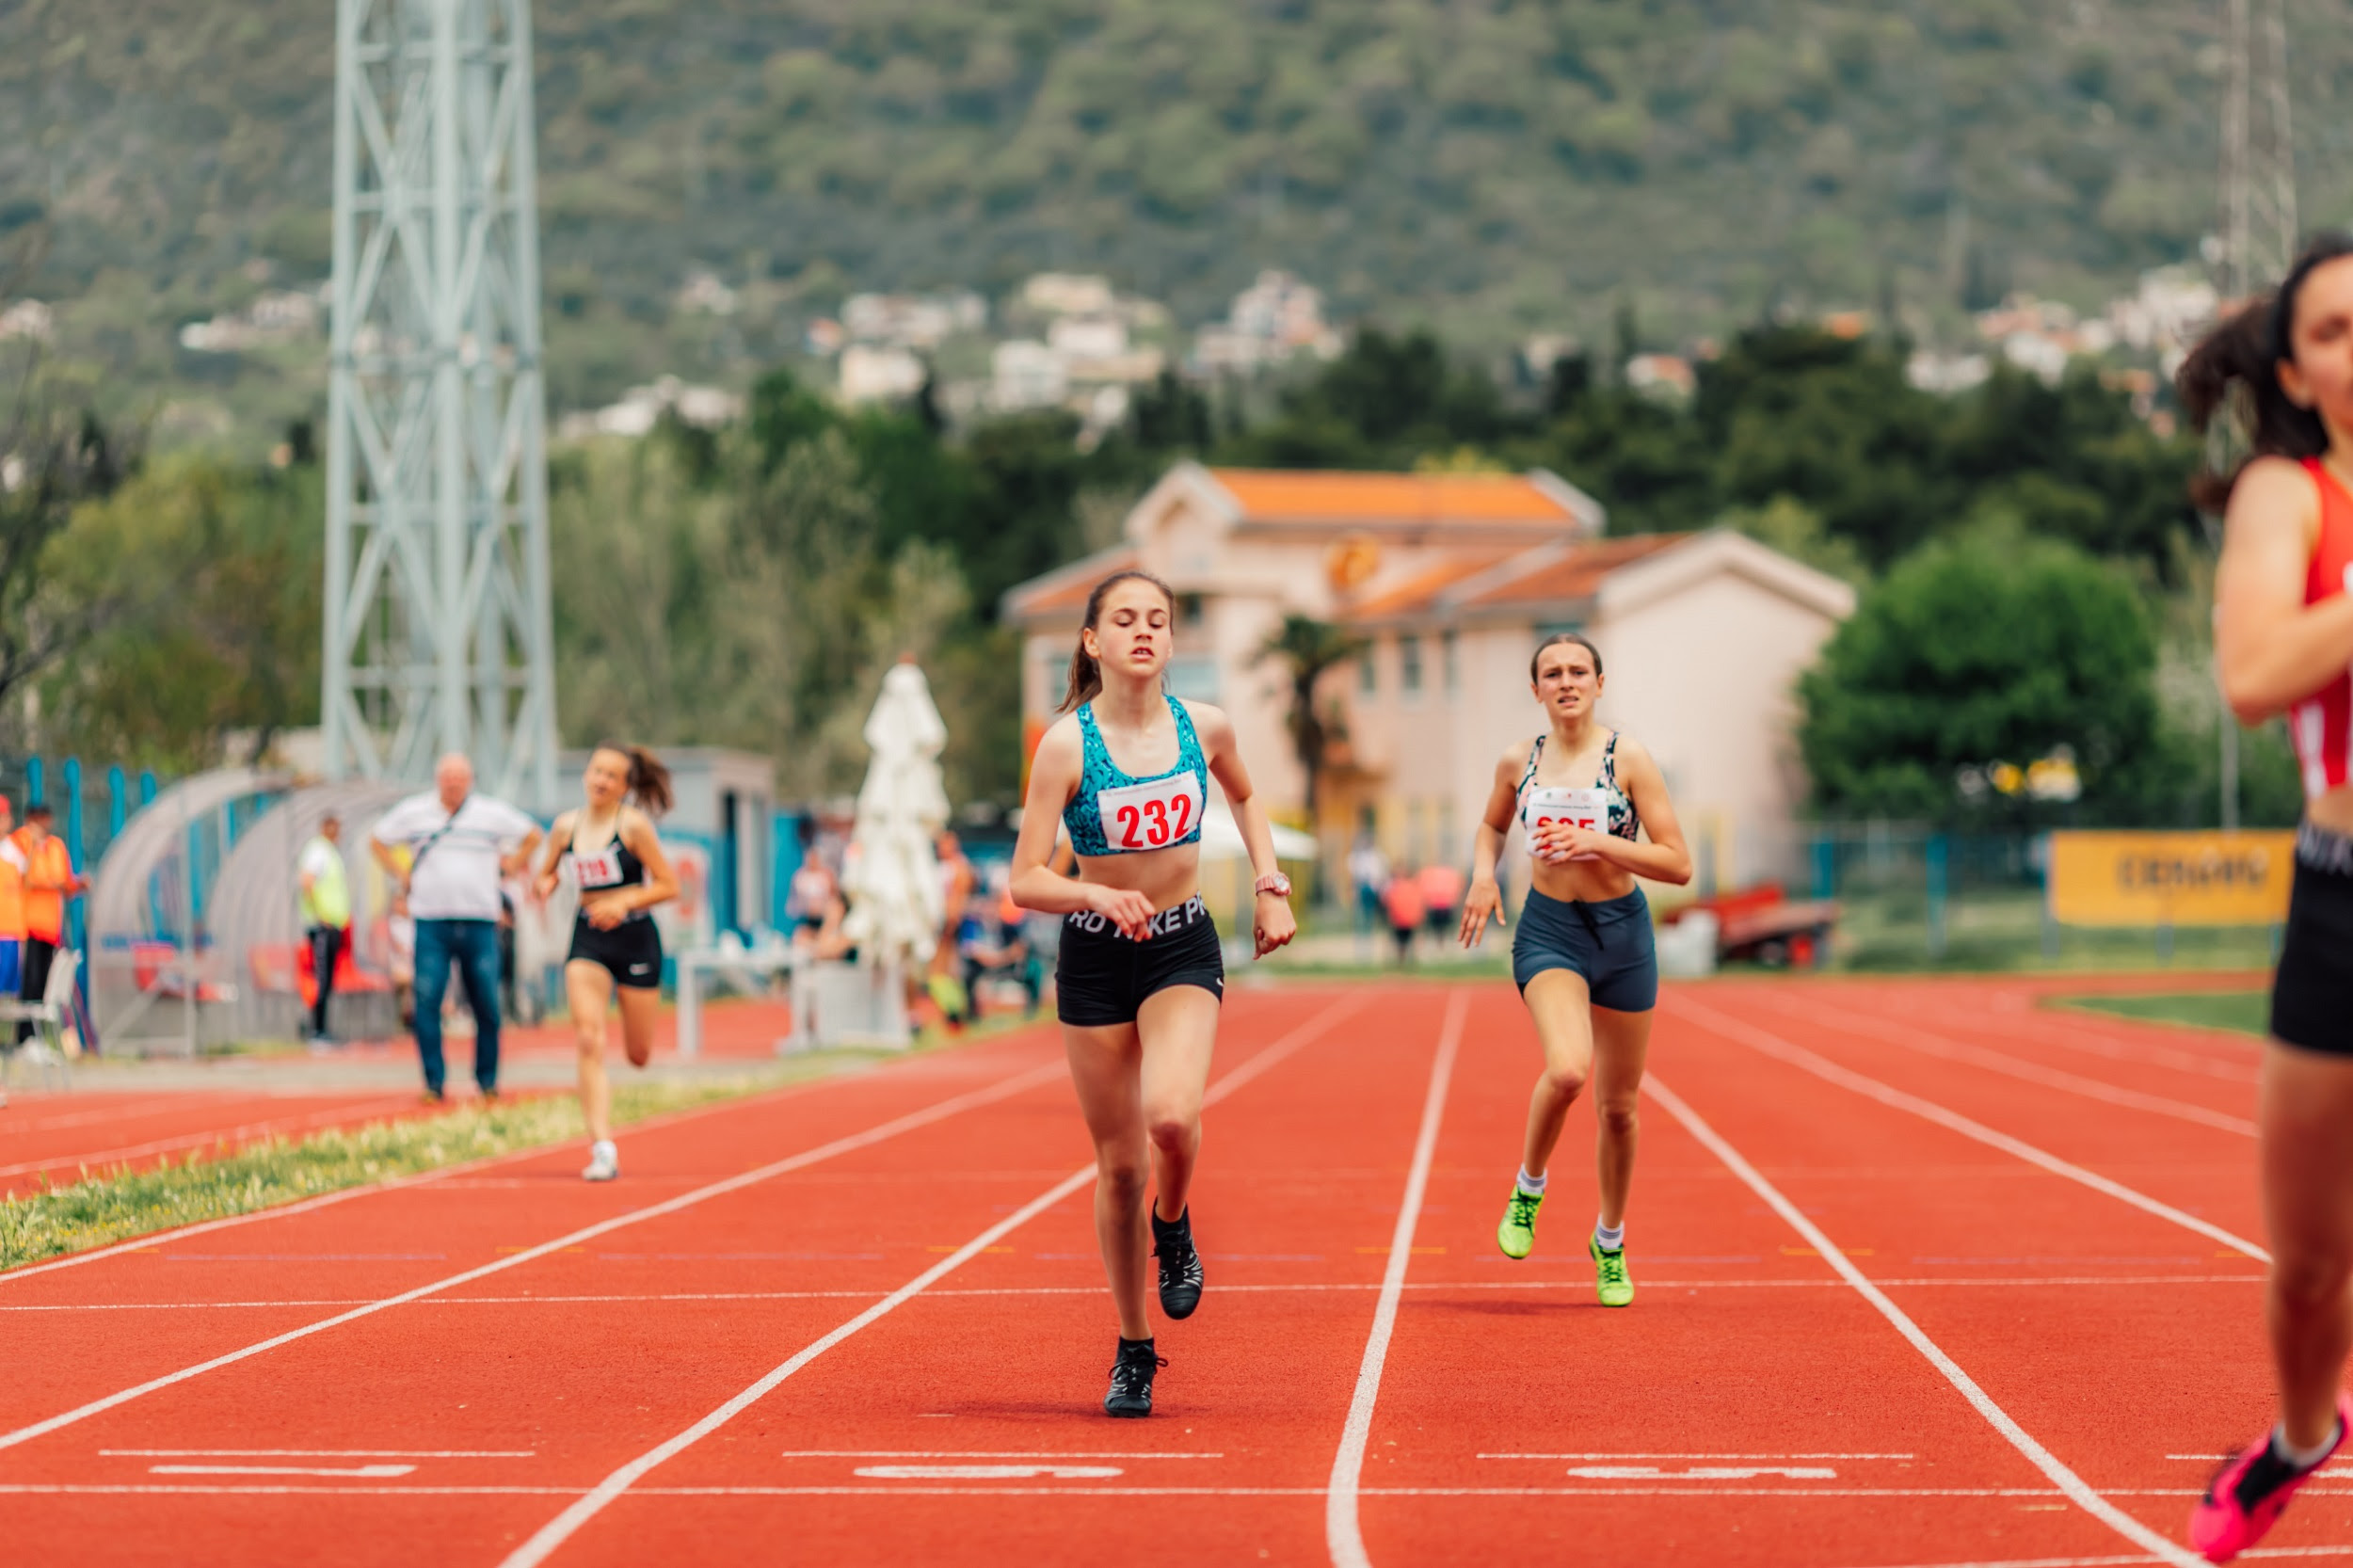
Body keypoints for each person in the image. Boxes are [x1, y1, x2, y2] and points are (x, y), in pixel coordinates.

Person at [1010, 568, 1297, 1418]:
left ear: (1172, 642)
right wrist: (1093, 892)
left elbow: (1246, 798)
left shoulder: (1203, 728)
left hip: (1180, 945)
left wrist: (1271, 881)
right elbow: (1025, 878)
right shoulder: (1065, 745)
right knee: (1119, 1166)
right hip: (1096, 959)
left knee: (1172, 1118)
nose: (1144, 631)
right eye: (1125, 620)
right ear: (1092, 642)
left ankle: (1175, 1224)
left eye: (1158, 620)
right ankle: (1135, 1347)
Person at [2179, 232, 2353, 1561]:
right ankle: (2302, 1434)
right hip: (2340, 898)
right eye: (2337, 329)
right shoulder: (2286, 496)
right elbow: (2252, 670)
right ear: (2297, 367)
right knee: (2308, 1268)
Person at [1458, 632, 1691, 1309]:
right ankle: (1529, 1191)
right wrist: (1481, 876)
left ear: (1598, 682)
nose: (1566, 681)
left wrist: (1598, 841)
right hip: (1550, 932)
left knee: (1619, 1109)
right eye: (1552, 673)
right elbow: (1491, 828)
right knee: (1567, 1069)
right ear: (1536, 689)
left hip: (1622, 936)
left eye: (1578, 671)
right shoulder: (1518, 761)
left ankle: (1609, 1243)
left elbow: (1678, 862)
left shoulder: (1629, 760)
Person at [534, 744, 679, 1181]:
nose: (600, 781)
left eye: (611, 776)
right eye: (596, 771)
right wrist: (545, 883)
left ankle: (606, 1134)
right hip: (589, 939)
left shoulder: (633, 826)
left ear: (625, 787)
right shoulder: (565, 828)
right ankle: (602, 1147)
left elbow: (669, 885)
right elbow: (547, 871)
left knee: (638, 1054)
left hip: (636, 939)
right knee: (588, 1040)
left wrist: (624, 900)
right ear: (586, 774)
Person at [370, 753, 542, 1104]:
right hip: (431, 920)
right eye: (448, 777)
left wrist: (511, 865)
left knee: (486, 1004)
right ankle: (434, 1082)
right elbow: (378, 840)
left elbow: (533, 835)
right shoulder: (414, 812)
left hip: (479, 920)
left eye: (460, 777)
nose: (453, 783)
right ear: (438, 780)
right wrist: (400, 873)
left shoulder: (490, 813)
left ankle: (487, 1081)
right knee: (427, 1001)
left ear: (470, 780)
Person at [11, 805, 88, 1044]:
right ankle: (23, 1038)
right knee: (29, 982)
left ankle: (36, 1037)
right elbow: (26, 878)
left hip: (50, 928)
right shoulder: (20, 841)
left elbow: (64, 881)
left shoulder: (56, 845)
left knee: (44, 985)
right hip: (28, 926)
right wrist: (34, 845)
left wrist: (77, 885)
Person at [297, 814, 350, 1043]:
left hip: (333, 925)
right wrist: (320, 916)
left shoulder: (330, 852)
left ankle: (322, 1029)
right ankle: (316, 1031)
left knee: (327, 979)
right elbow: (307, 881)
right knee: (321, 978)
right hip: (322, 926)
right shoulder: (318, 851)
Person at [1382, 868, 1425, 967]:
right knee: (1409, 942)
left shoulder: (1396, 887)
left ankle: (1401, 961)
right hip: (1410, 920)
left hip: (1399, 920)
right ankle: (1411, 961)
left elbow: (1388, 903)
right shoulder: (1413, 887)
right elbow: (1419, 904)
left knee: (1400, 943)